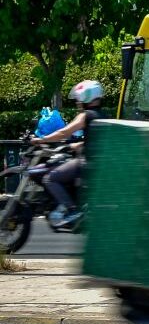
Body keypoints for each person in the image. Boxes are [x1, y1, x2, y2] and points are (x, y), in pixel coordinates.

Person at [31, 80, 105, 228]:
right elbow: (96, 140)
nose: (77, 102)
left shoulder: (85, 115)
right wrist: (75, 145)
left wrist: (41, 139)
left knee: (49, 178)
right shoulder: (103, 115)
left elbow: (64, 132)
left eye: (78, 98)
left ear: (86, 97)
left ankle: (72, 211)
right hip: (99, 164)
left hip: (87, 163)